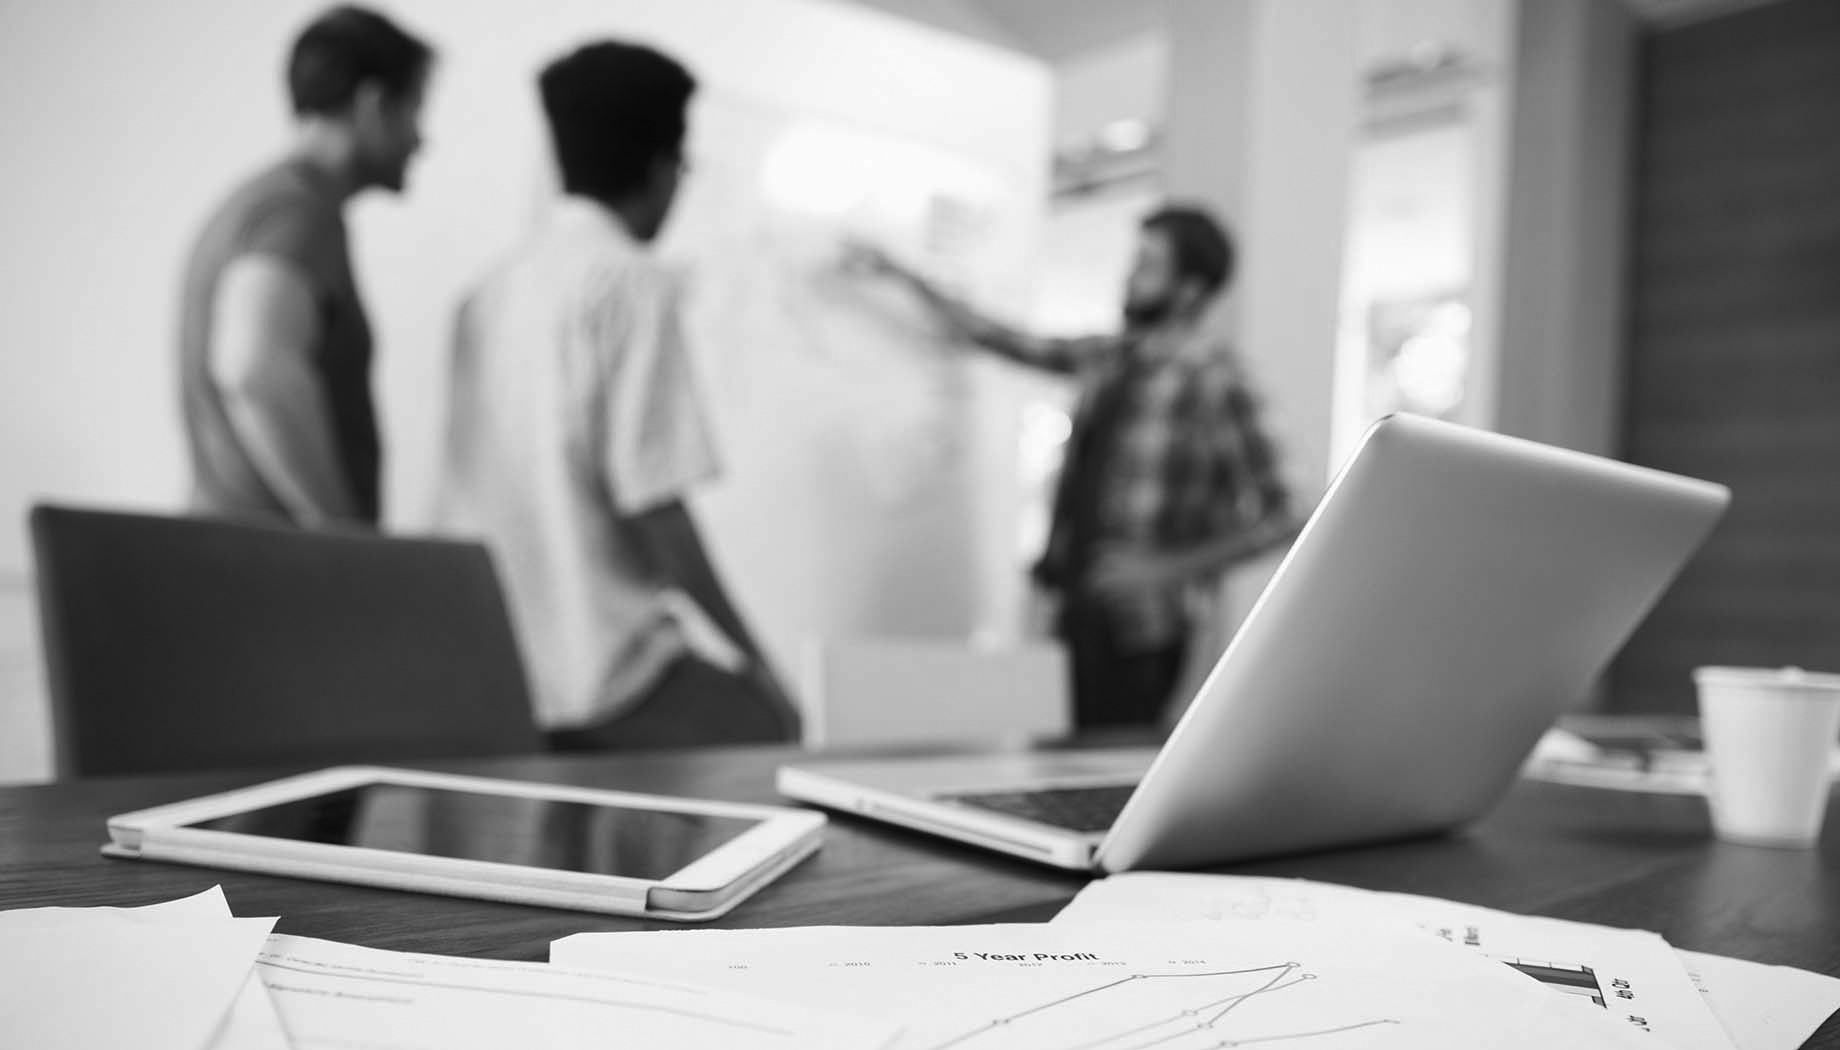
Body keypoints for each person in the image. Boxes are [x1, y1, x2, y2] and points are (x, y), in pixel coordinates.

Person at [434, 41, 799, 750]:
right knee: (769, 732)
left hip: (498, 680)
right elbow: (655, 500)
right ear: (662, 169)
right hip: (609, 681)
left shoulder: (485, 294)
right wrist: (759, 664)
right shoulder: (631, 283)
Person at [858, 207, 1296, 728]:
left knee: (1114, 774)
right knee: (1057, 765)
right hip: (1073, 611)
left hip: (1147, 629)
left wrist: (1164, 569)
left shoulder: (1217, 380)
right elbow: (1000, 337)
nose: (1129, 276)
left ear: (1190, 291)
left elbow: (1287, 513)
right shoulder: (1110, 358)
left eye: (1148, 264)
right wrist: (899, 274)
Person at [178, 6, 433, 528]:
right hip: (269, 571)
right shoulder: (298, 210)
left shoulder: (257, 204)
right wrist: (343, 536)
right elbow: (254, 368)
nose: (420, 140)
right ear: (374, 104)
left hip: (237, 559)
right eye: (414, 110)